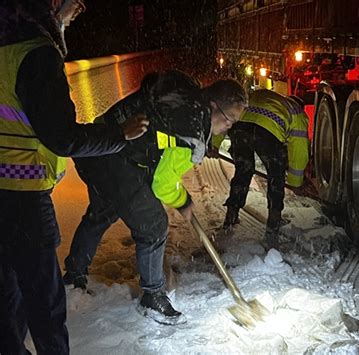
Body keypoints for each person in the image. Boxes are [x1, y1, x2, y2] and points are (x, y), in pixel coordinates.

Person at [0, 1, 149, 354]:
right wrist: (119, 135)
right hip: (23, 196)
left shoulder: (5, 45)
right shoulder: (36, 54)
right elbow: (62, 137)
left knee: (8, 302)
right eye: (71, 4)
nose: (77, 11)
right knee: (45, 304)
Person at [62, 70, 248, 325]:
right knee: (153, 224)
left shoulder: (187, 94)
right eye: (229, 119)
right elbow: (163, 185)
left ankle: (73, 276)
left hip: (97, 145)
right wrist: (183, 201)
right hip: (115, 156)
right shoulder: (191, 128)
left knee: (103, 211)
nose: (229, 127)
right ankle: (152, 296)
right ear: (213, 105)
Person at [222, 89, 310, 247]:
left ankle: (231, 214)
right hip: (267, 134)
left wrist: (214, 143)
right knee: (276, 175)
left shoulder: (268, 96)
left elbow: (229, 112)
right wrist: (296, 182)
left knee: (243, 169)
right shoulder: (298, 113)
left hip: (240, 128)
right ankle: (273, 224)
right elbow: (299, 151)